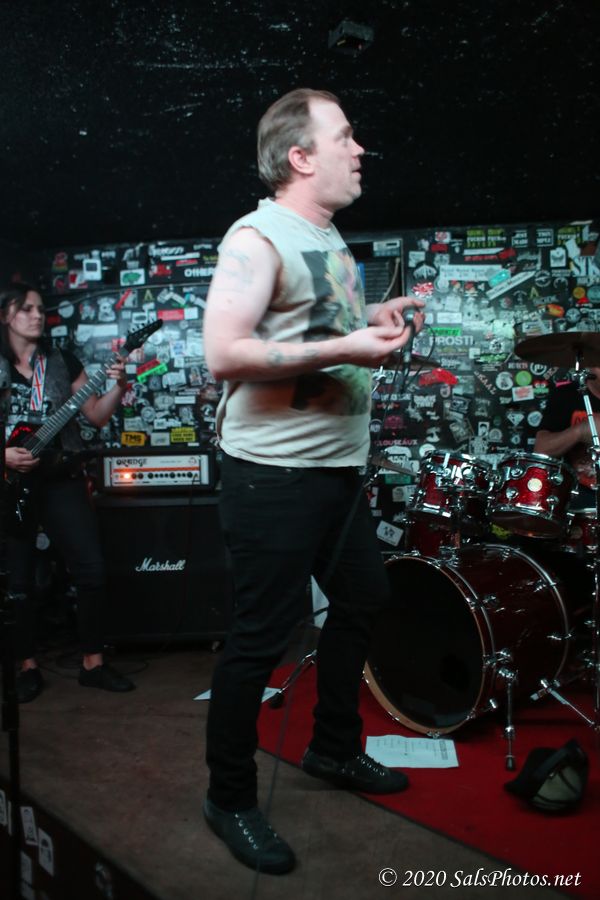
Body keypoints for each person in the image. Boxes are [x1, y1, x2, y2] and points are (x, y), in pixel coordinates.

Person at [202, 88, 425, 875]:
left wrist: (373, 323)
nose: (359, 150)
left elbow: (317, 335)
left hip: (336, 474)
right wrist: (347, 349)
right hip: (273, 477)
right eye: (345, 137)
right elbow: (224, 353)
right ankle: (229, 796)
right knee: (260, 639)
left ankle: (332, 747)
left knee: (364, 599)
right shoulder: (256, 236)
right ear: (300, 156)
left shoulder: (326, 238)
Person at [0, 281, 135, 703]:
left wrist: (118, 385)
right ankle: (26, 666)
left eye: (40, 309)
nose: (36, 316)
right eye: (26, 309)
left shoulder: (61, 360)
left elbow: (95, 416)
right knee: (18, 580)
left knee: (91, 568)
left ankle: (93, 663)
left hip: (61, 478)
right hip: (11, 483)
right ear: (5, 315)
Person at [534, 368, 600, 506]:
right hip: (577, 495)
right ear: (589, 367)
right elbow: (541, 449)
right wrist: (579, 431)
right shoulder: (566, 395)